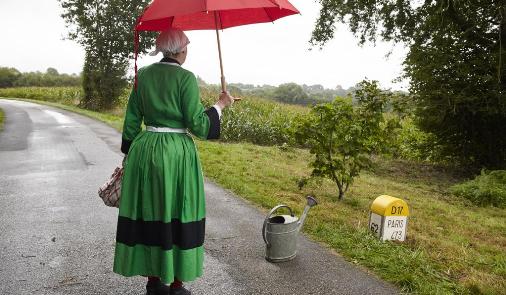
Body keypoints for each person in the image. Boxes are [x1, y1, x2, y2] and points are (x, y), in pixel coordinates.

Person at [113, 29, 235, 295]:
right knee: (179, 210)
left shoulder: (142, 75)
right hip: (176, 154)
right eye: (186, 48)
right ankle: (177, 284)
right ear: (180, 51)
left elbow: (132, 118)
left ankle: (154, 281)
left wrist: (128, 153)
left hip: (145, 151)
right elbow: (199, 125)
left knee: (151, 211)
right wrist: (219, 106)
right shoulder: (186, 78)